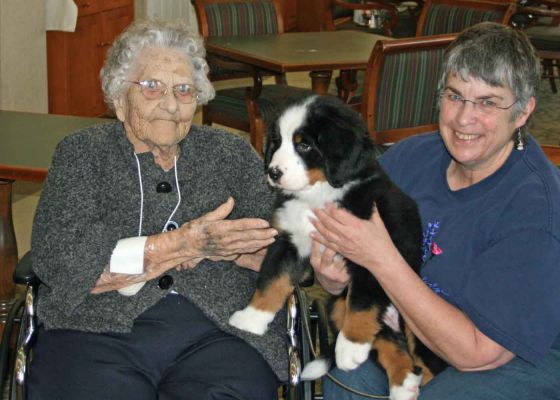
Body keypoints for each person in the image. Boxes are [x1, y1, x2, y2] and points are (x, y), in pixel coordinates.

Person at [28, 20, 285, 400]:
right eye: (152, 87)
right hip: (95, 330)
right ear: (119, 97)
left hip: (223, 333)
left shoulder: (231, 154)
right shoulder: (81, 154)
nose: (170, 104)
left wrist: (257, 254)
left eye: (184, 90)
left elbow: (287, 248)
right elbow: (62, 261)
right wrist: (183, 245)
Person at [309, 22, 560, 399]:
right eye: (455, 96)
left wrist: (380, 258)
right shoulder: (411, 157)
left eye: (488, 102)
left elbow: (476, 354)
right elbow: (351, 254)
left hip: (515, 353)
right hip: (415, 329)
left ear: (523, 112)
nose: (464, 119)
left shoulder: (535, 209)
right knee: (349, 373)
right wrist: (334, 273)